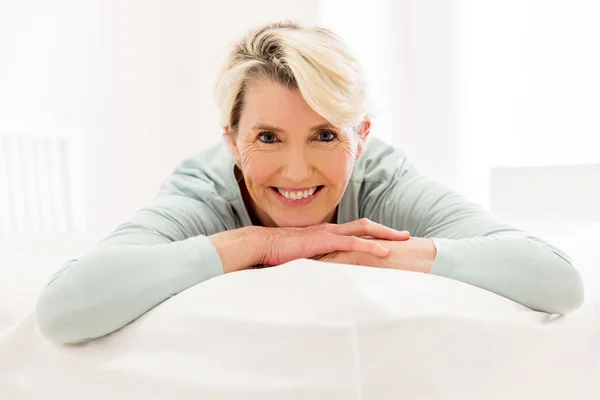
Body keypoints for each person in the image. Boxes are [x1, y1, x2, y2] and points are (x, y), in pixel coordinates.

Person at [36, 21, 584, 345]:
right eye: (268, 138)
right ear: (231, 140)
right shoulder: (204, 189)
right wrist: (261, 243)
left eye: (324, 135)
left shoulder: (382, 179)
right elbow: (64, 309)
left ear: (362, 136)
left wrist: (371, 251)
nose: (297, 172)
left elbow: (556, 279)